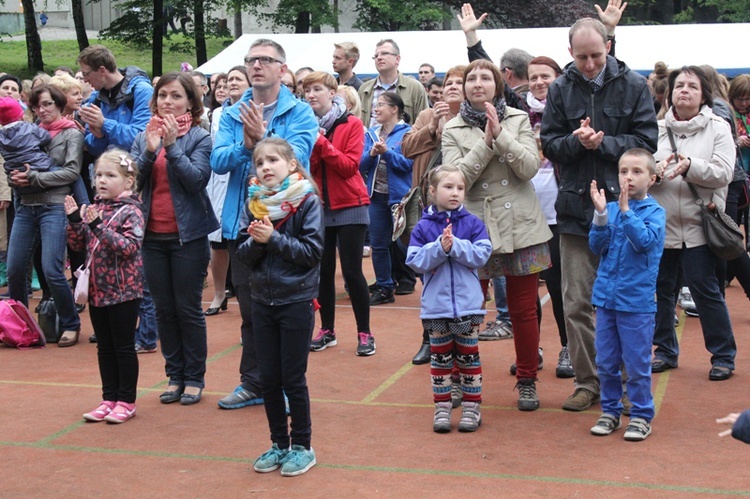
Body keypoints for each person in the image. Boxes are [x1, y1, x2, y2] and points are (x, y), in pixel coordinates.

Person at [540, 16, 658, 411]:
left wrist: (603, 143)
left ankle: (623, 382)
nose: (589, 64)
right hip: (576, 211)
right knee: (576, 303)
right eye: (581, 56)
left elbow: (646, 143)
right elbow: (550, 144)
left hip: (624, 210)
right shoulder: (559, 88)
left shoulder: (636, 85)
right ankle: (589, 381)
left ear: (608, 45)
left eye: (595, 55)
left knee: (621, 302)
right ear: (569, 53)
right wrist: (576, 142)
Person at [210, 38, 317, 410]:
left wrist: (262, 142)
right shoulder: (232, 111)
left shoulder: (300, 111)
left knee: (290, 310)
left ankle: (288, 386)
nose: (257, 65)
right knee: (252, 311)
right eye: (251, 60)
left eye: (266, 60)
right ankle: (253, 382)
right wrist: (246, 144)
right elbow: (219, 160)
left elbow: (298, 157)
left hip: (289, 221)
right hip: (245, 221)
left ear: (282, 69)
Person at [442, 58, 550, 412]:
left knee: (522, 310)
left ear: (497, 85)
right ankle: (460, 379)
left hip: (520, 224)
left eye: (485, 77)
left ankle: (527, 379)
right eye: (470, 78)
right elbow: (455, 181)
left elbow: (529, 168)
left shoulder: (518, 119)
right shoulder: (452, 128)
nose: (477, 83)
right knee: (466, 310)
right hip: (473, 226)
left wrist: (501, 135)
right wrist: (486, 143)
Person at [131, 71, 218, 405]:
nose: (168, 102)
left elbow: (196, 180)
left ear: (190, 102)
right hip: (151, 237)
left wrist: (171, 147)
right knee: (164, 310)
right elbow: (132, 182)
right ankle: (174, 375)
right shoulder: (143, 137)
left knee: (187, 308)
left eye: (176, 96)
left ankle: (194, 377)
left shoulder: (199, 137)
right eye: (163, 95)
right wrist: (151, 151)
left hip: (189, 237)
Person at [238, 138, 323, 477]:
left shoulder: (307, 202)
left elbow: (311, 253)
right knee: (269, 378)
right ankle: (279, 444)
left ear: (291, 165)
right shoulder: (256, 204)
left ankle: (303, 445)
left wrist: (272, 238)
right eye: (260, 163)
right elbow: (243, 257)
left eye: (273, 160)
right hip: (262, 300)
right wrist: (260, 241)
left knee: (292, 377)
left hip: (296, 300)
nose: (266, 167)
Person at [649, 66, 737, 381]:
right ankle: (665, 352)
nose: (684, 90)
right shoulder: (654, 128)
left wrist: (689, 166)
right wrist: (654, 172)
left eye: (692, 86)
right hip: (660, 226)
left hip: (701, 226)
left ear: (703, 94)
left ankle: (724, 355)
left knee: (704, 289)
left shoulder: (718, 127)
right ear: (670, 93)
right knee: (660, 290)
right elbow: (639, 172)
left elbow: (724, 172)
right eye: (679, 85)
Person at [406, 164, 491, 433]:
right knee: (440, 362)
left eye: (460, 188)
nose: (455, 193)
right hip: (437, 309)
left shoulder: (473, 223)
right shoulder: (422, 227)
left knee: (469, 360)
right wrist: (438, 249)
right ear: (432, 191)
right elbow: (415, 260)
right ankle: (442, 408)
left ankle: (471, 408)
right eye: (448, 187)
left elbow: (482, 254)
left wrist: (456, 245)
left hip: (467, 307)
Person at [588, 148, 665, 441]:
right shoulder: (609, 208)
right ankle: (610, 411)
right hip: (607, 299)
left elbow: (644, 241)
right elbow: (597, 247)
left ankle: (642, 415)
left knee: (636, 363)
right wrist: (599, 215)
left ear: (652, 178)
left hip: (636, 303)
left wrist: (624, 212)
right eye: (623, 172)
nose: (628, 178)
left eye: (636, 172)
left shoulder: (655, 213)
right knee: (606, 362)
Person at [67, 150, 144, 424]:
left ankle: (127, 400)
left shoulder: (132, 212)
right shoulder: (94, 209)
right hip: (98, 292)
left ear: (128, 181)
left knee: (123, 347)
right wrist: (76, 221)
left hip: (124, 292)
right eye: (98, 175)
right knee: (104, 348)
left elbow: (129, 247)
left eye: (110, 175)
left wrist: (97, 226)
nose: (102, 180)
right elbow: (79, 246)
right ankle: (108, 398)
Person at [6, 85, 83, 347]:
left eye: (48, 104)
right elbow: (13, 164)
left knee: (52, 270)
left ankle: (71, 324)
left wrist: (33, 177)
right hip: (26, 206)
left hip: (54, 205)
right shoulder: (25, 133)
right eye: (37, 106)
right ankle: (21, 325)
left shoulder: (71, 133)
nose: (42, 110)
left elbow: (71, 172)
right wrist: (14, 177)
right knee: (15, 270)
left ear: (60, 105)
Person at [303, 71, 370, 354]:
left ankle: (365, 333)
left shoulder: (352, 124)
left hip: (351, 206)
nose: (311, 95)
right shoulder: (305, 126)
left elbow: (348, 167)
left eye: (317, 89)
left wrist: (321, 143)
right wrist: (314, 143)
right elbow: (310, 169)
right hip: (319, 208)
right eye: (307, 91)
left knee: (353, 272)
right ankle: (327, 330)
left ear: (333, 92)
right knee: (323, 272)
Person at [402, 65, 465, 365]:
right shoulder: (427, 115)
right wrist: (432, 127)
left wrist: (450, 126)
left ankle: (462, 341)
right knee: (430, 276)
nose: (451, 87)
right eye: (448, 82)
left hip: (463, 209)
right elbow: (405, 148)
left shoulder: (470, 118)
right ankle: (430, 339)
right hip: (428, 208)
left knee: (462, 279)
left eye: (459, 82)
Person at [525, 56, 573, 378]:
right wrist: (474, 42)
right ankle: (532, 349)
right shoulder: (516, 113)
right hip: (527, 216)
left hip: (559, 215)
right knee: (527, 290)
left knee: (558, 287)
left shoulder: (568, 110)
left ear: (558, 78)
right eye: (533, 77)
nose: (539, 82)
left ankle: (568, 348)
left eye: (546, 76)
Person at [360, 92, 414, 314]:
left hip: (399, 198)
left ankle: (425, 279)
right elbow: (360, 166)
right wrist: (372, 154)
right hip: (376, 196)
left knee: (405, 242)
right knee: (379, 245)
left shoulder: (408, 133)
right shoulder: (371, 134)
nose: (376, 108)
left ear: (395, 109)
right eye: (376, 105)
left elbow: (407, 165)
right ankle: (384, 286)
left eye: (381, 105)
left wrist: (387, 152)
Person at [205, 66, 250, 317]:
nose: (231, 83)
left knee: (239, 239)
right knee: (217, 242)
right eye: (228, 79)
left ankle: (242, 298)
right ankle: (220, 292)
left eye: (237, 79)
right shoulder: (219, 113)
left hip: (241, 180)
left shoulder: (252, 110)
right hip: (218, 180)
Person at [358, 39, 428, 128]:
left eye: (384, 53)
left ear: (397, 59)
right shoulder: (364, 89)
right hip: (370, 141)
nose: (379, 57)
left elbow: (424, 124)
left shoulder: (415, 88)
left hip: (403, 141)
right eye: (376, 56)